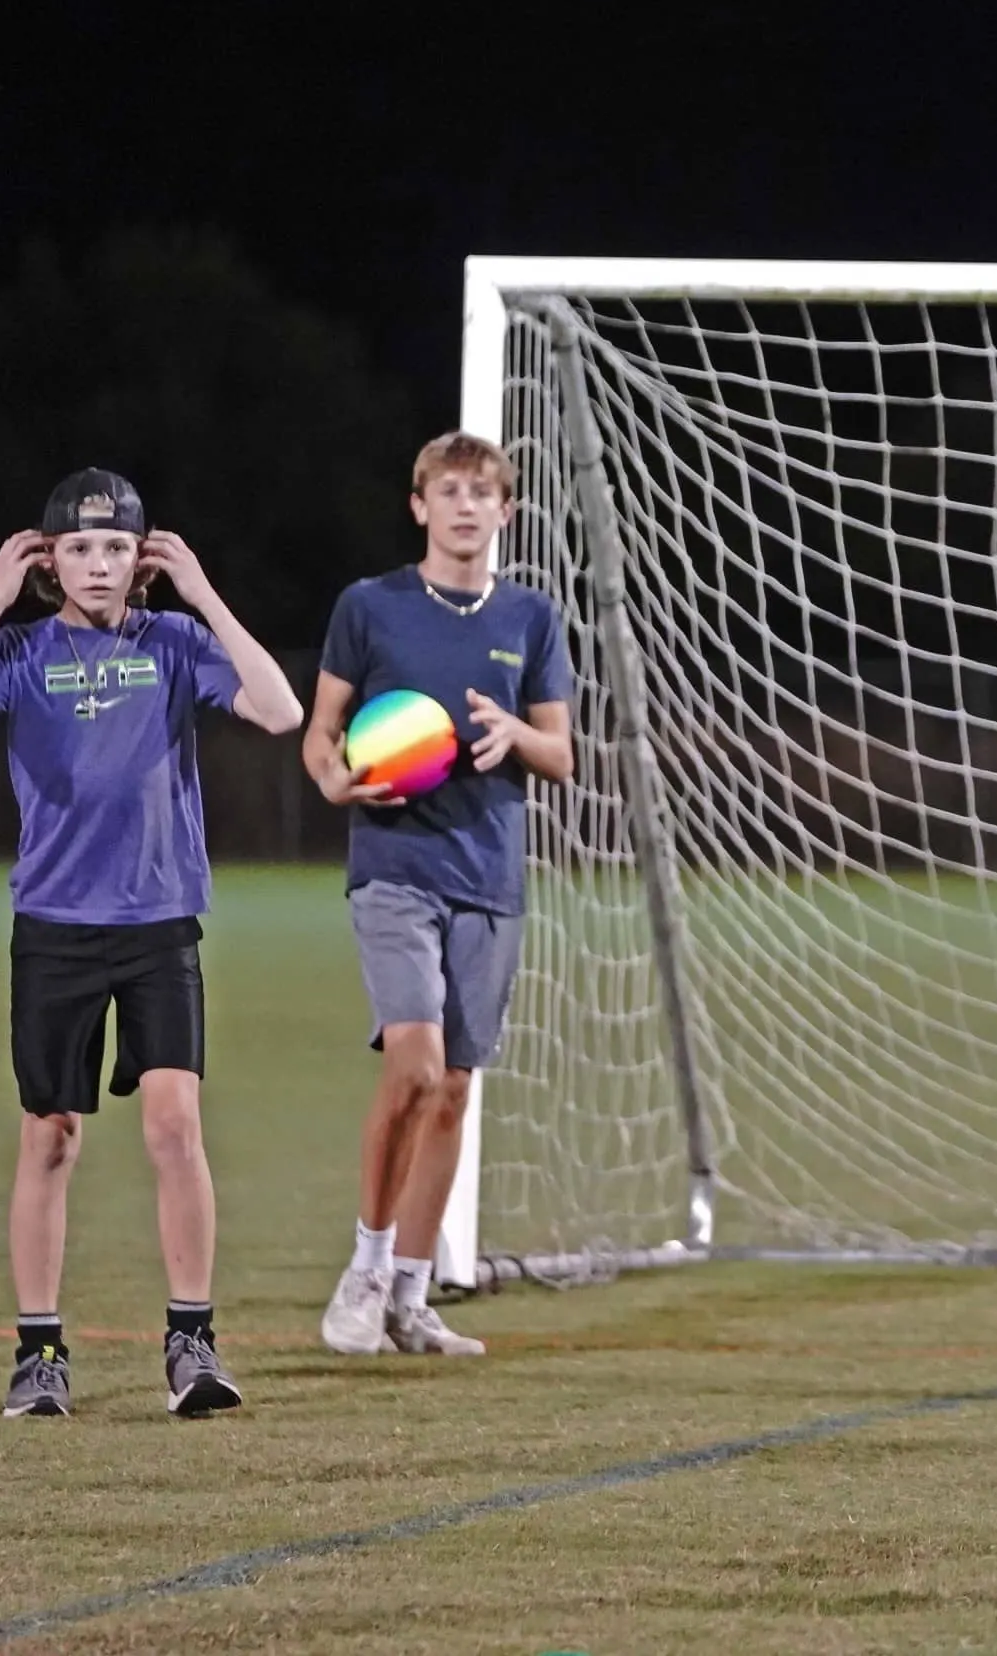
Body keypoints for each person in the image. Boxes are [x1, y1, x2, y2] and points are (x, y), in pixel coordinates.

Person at [0, 468, 304, 1419]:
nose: (98, 565)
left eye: (117, 548)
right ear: (51, 560)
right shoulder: (17, 648)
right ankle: (40, 1354)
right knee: (51, 1138)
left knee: (175, 1127)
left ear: (143, 561)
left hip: (159, 921)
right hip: (54, 925)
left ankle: (191, 1344)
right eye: (79, 548)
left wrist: (205, 593)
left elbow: (280, 709)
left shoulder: (172, 641)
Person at [310, 433, 576, 1359]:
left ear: (507, 513)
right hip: (394, 867)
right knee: (415, 1066)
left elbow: (562, 755)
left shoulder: (531, 618)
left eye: (484, 494)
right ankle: (365, 1271)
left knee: (456, 1090)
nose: (467, 507)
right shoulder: (370, 607)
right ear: (419, 505)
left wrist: (514, 731)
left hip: (491, 877)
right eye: (449, 491)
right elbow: (322, 736)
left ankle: (412, 1298)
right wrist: (335, 780)